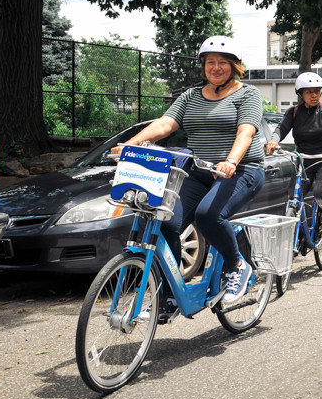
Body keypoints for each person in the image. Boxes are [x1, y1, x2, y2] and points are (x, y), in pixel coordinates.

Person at [112, 35, 265, 303]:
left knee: (208, 215)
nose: (215, 67)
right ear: (203, 65)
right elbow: (165, 124)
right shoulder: (191, 96)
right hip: (200, 170)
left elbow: (246, 133)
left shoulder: (248, 94)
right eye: (210, 62)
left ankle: (237, 266)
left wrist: (231, 161)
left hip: (242, 171)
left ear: (234, 66)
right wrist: (130, 144)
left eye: (222, 63)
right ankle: (170, 296)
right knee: (166, 222)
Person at [265, 72, 322, 238]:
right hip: (302, 161)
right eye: (309, 91)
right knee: (293, 198)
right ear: (300, 94)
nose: (314, 95)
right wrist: (273, 141)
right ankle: (297, 234)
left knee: (321, 192)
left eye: (317, 91)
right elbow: (280, 129)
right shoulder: (293, 112)